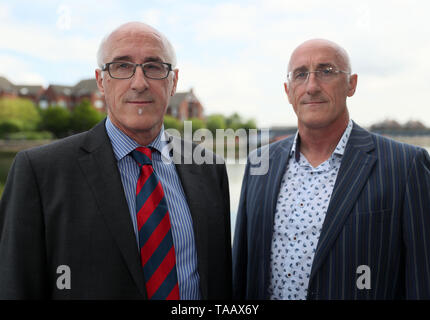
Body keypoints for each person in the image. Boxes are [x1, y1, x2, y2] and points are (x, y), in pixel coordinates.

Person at [0, 22, 232, 300]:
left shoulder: (209, 168)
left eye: (154, 67)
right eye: (121, 66)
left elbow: (219, 280)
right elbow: (16, 285)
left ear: (174, 82)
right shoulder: (40, 172)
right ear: (101, 81)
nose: (139, 83)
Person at [232, 39, 430, 300]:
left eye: (326, 71)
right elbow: (242, 271)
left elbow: (422, 279)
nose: (312, 86)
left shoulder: (405, 165)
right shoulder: (259, 163)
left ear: (351, 84)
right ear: (288, 90)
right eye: (300, 74)